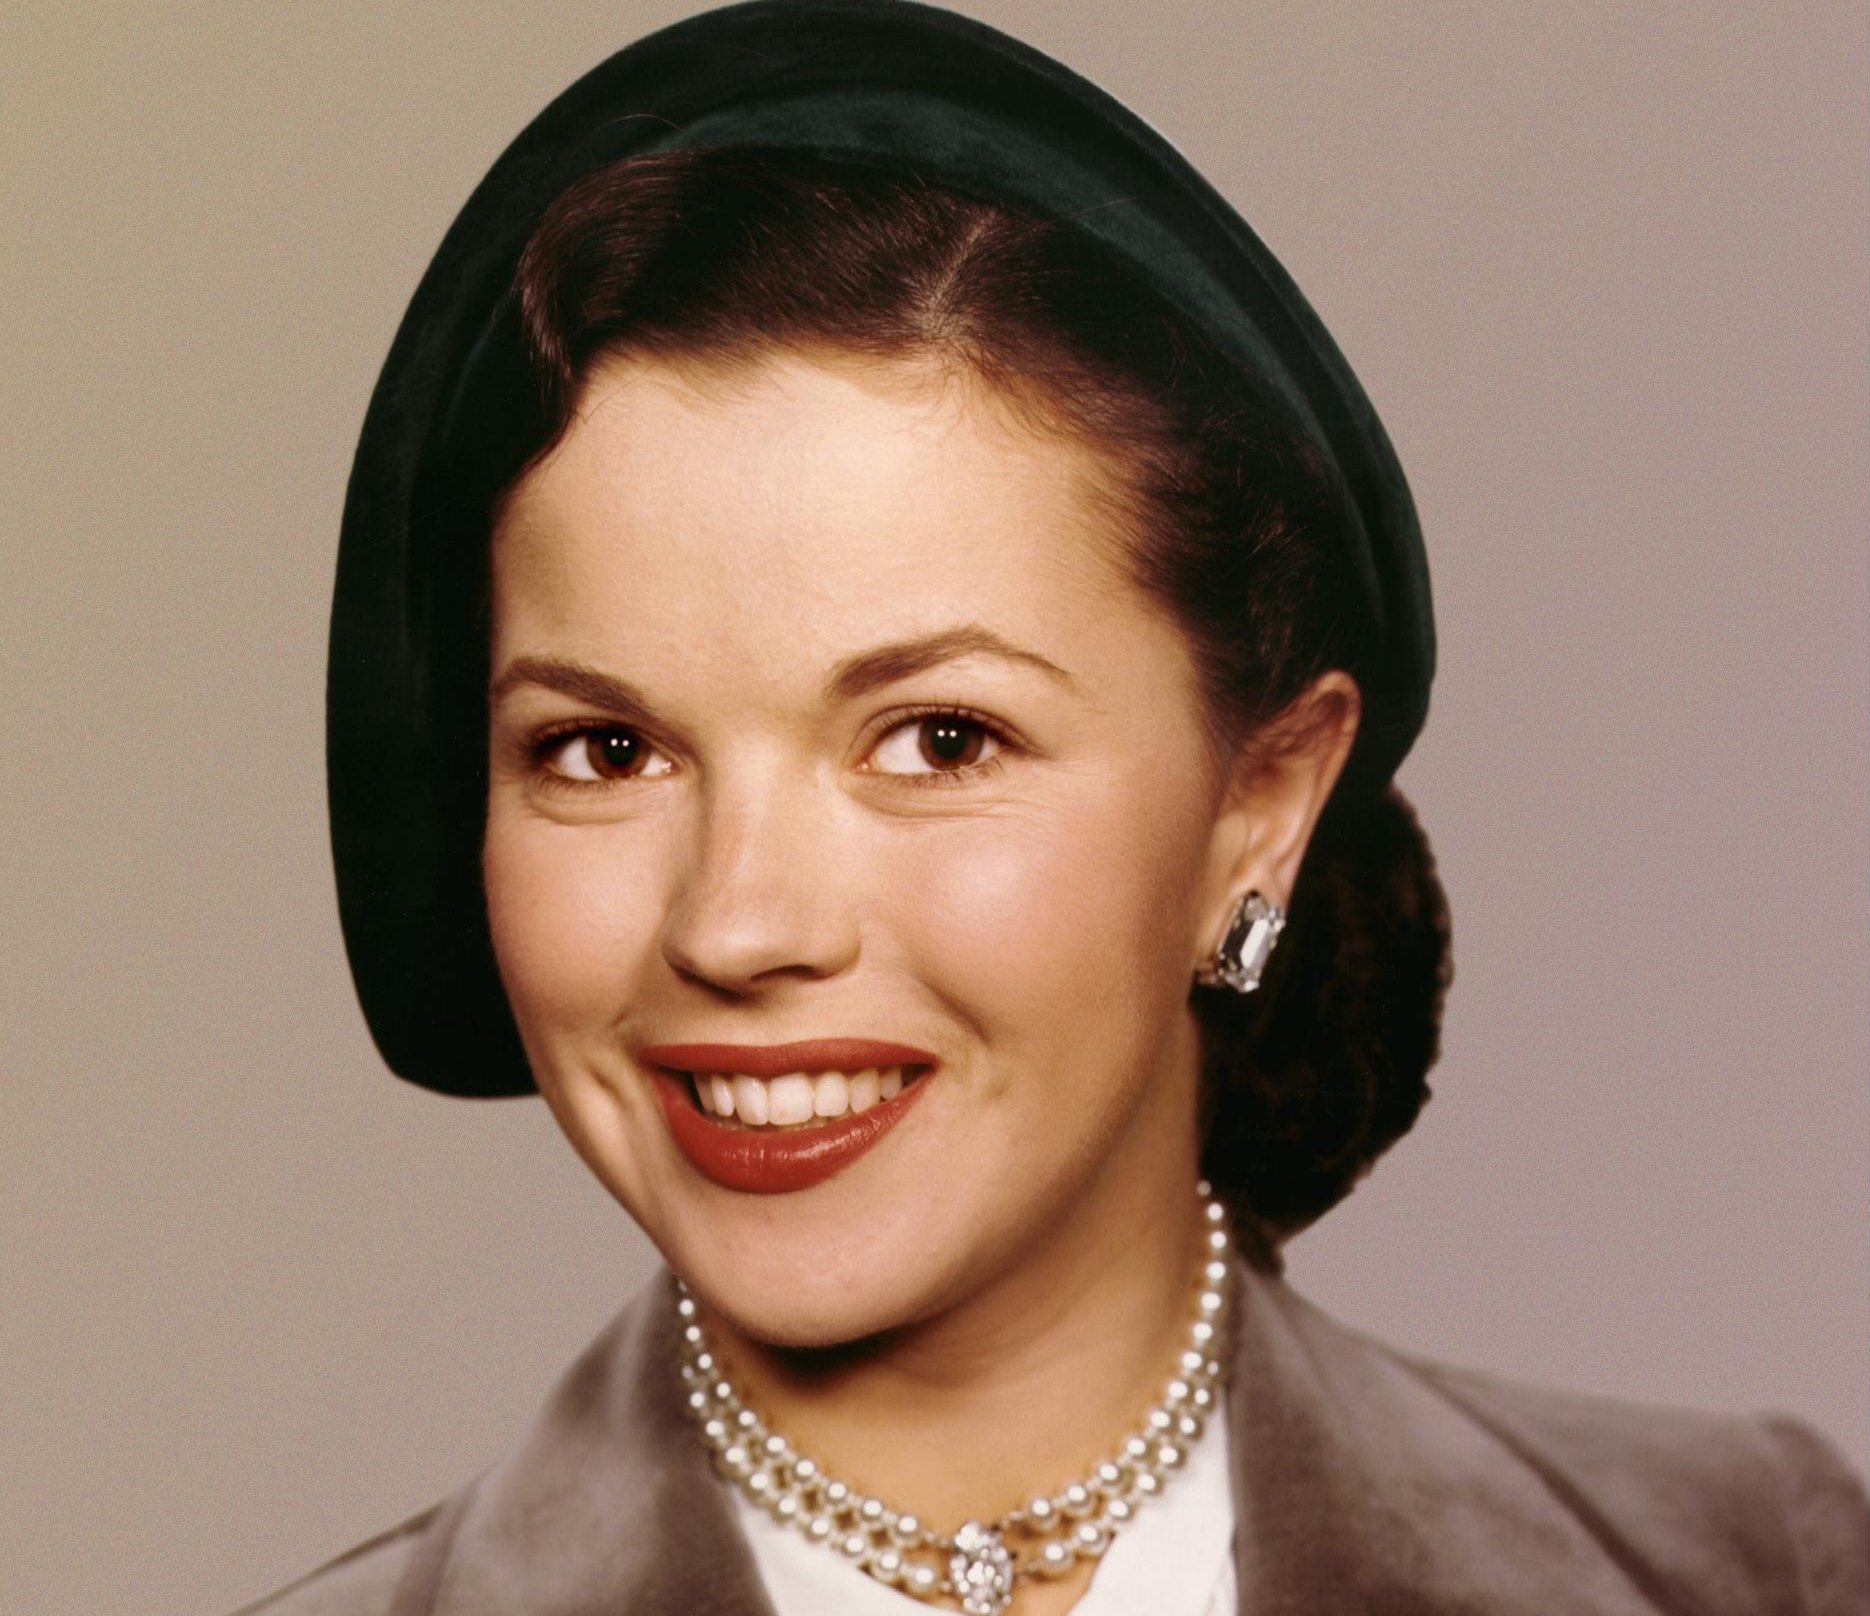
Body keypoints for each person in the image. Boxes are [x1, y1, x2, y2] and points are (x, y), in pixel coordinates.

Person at [241, 3, 1869, 1613]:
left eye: (937, 739)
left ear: (1261, 802)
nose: (735, 922)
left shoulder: (1752, 1569)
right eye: (604, 753)